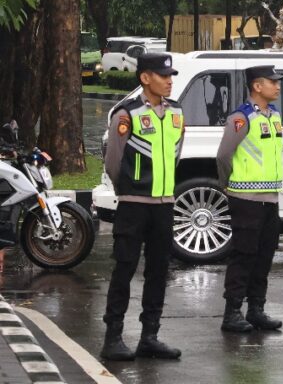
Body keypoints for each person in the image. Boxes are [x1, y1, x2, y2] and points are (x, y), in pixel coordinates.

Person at [101, 53, 184, 361]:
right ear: (145, 78)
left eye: (171, 75)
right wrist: (129, 190)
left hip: (164, 205)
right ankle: (113, 337)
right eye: (163, 75)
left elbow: (176, 154)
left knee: (159, 270)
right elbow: (113, 161)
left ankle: (150, 335)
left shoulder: (176, 112)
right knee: (124, 268)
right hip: (134, 205)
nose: (169, 80)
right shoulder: (127, 113)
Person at [217, 65, 283, 333]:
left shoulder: (274, 115)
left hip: (270, 197)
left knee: (264, 254)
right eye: (272, 82)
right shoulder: (241, 118)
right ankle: (232, 311)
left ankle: (256, 309)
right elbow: (223, 156)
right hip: (245, 197)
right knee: (243, 255)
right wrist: (227, 185)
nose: (277, 86)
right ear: (257, 86)